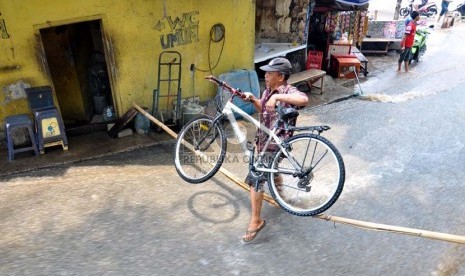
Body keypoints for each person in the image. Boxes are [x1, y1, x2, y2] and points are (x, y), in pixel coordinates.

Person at [240, 57, 308, 243]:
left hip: (276, 144)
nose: (266, 75)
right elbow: (264, 109)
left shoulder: (288, 91)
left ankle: (256, 220)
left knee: (256, 178)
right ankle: (282, 197)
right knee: (271, 171)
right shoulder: (267, 90)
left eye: (270, 73)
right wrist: (254, 99)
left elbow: (304, 99)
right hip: (263, 141)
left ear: (281, 76)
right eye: (266, 72)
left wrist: (277, 97)